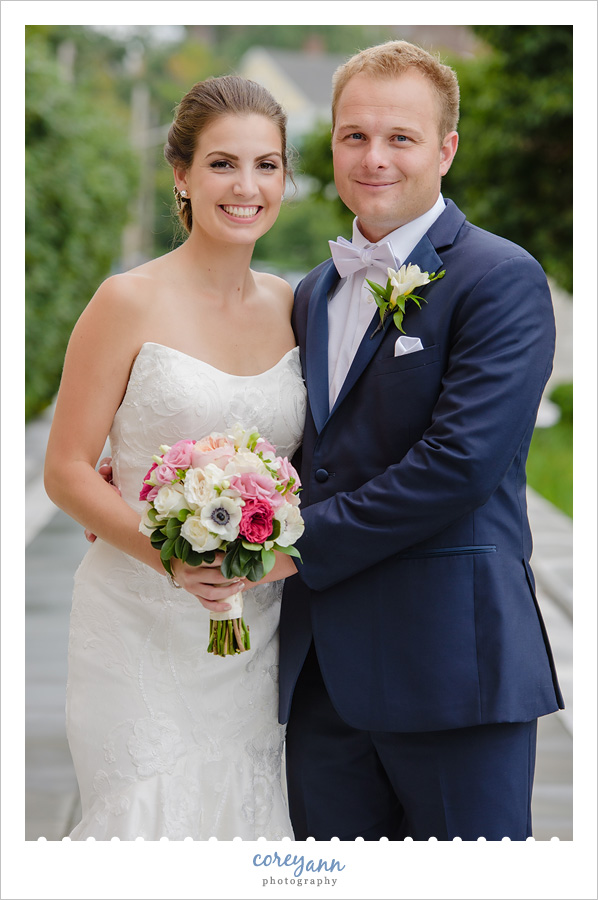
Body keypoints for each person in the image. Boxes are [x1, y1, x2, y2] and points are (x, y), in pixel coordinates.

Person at [192, 39, 563, 840]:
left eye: (401, 137)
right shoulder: (315, 290)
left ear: (446, 149)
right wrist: (153, 482)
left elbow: (457, 466)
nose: (375, 158)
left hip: (452, 671)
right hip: (321, 677)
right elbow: (290, 435)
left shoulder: (499, 279)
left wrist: (293, 544)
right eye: (355, 135)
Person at [44, 75, 306, 840]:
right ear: (182, 175)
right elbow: (65, 468)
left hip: (255, 627)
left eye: (267, 164)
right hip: (137, 621)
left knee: (246, 817)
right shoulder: (126, 300)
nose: (247, 186)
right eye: (223, 164)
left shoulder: (296, 306)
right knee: (148, 817)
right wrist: (166, 557)